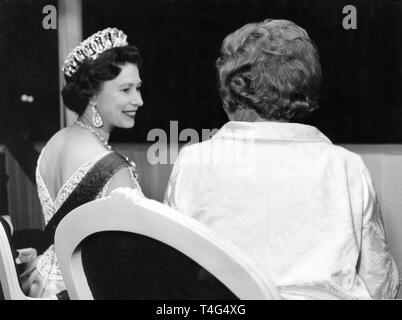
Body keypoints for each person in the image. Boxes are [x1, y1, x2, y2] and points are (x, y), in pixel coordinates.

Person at [164, 19, 400, 299]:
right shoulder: (346, 167)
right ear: (305, 88)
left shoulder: (192, 163)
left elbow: (169, 274)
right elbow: (381, 284)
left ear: (230, 91)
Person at [20, 27, 145, 299]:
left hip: (45, 283)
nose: (139, 100)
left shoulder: (55, 142)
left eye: (138, 88)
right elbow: (127, 264)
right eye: (126, 90)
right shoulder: (113, 167)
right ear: (92, 95)